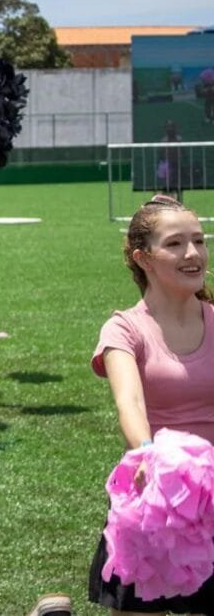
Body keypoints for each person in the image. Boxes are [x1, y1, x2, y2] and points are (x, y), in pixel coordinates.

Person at [88, 194, 214, 614]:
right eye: (175, 244)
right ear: (143, 258)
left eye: (199, 240)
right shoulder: (124, 328)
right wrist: (147, 453)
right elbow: (130, 402)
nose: (193, 253)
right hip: (154, 495)